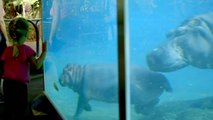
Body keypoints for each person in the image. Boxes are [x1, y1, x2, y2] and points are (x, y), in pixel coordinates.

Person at [1, 17, 47, 120]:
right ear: (25, 34)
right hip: (20, 87)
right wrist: (44, 52)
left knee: (8, 109)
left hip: (7, 85)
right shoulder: (26, 50)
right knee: (20, 111)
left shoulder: (7, 50)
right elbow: (37, 65)